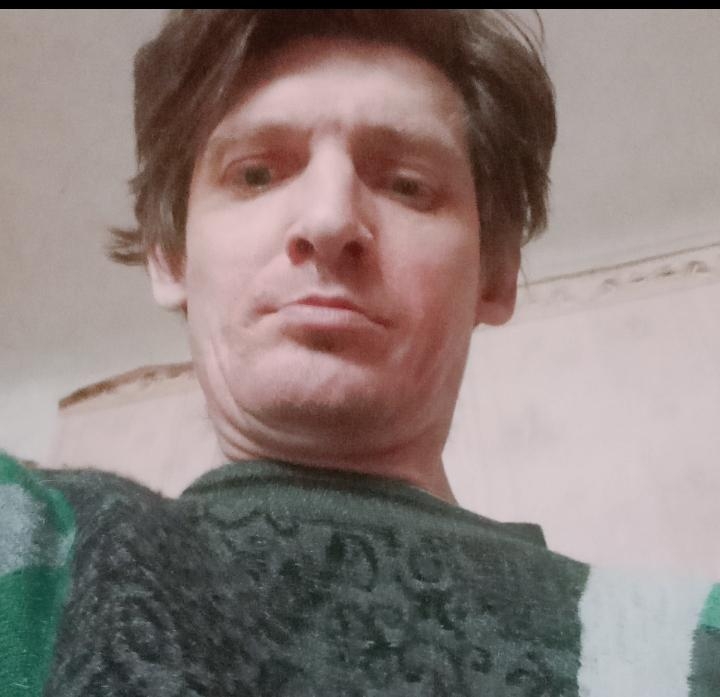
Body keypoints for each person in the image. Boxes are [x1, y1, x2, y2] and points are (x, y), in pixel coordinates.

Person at [1, 10, 717, 696]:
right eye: (255, 174)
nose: (329, 218)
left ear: (496, 273)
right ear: (170, 255)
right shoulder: (36, 556)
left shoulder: (690, 646)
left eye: (407, 185)